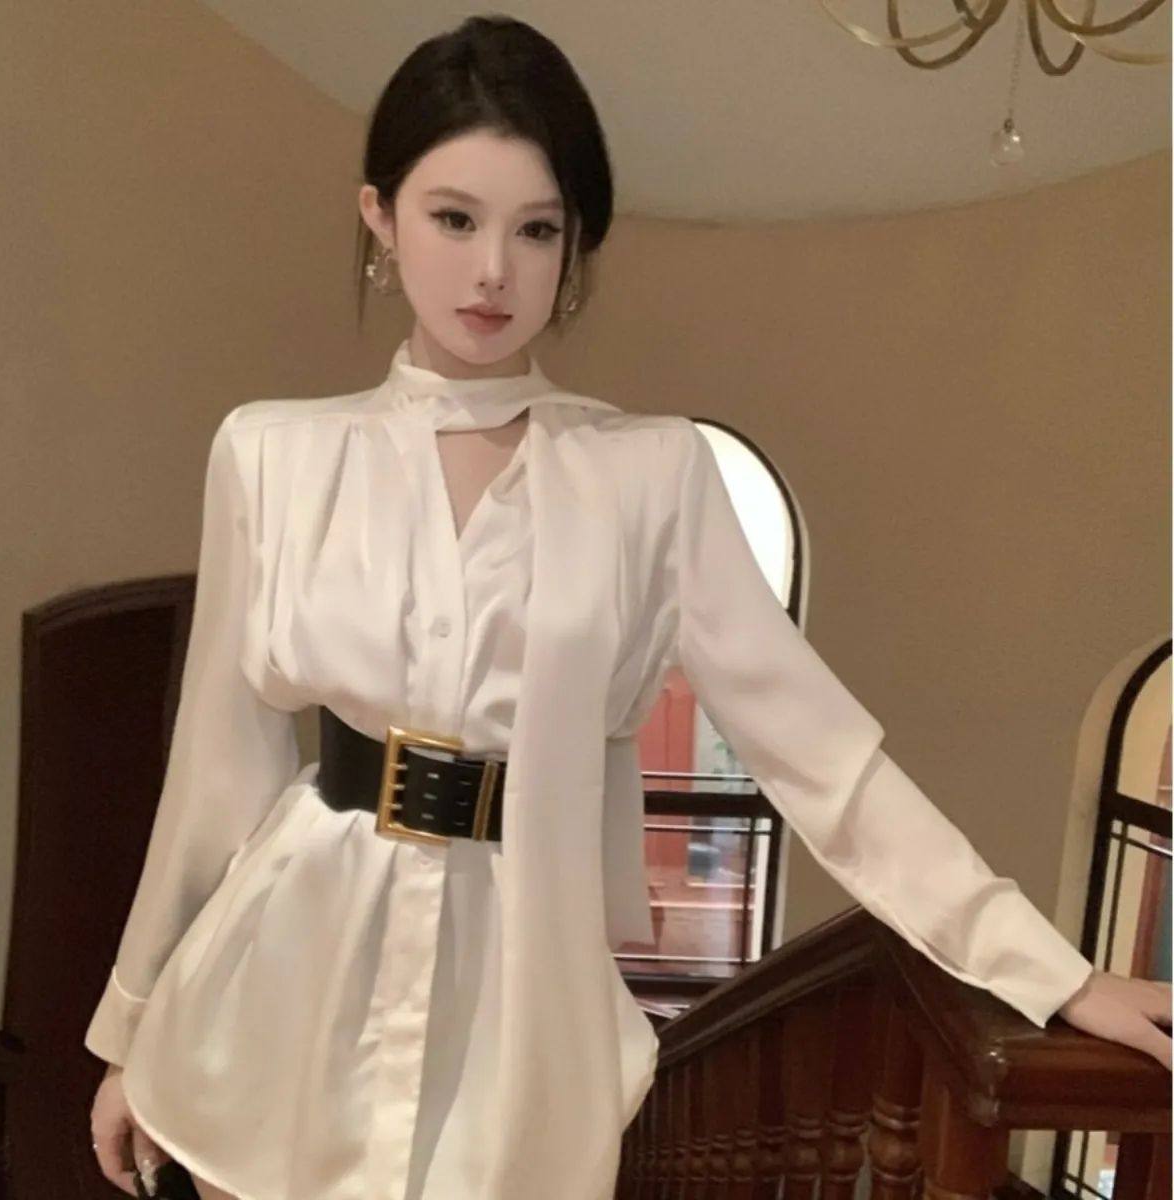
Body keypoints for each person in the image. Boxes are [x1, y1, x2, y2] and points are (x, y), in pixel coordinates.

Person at [86, 14, 1172, 1200]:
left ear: (575, 246)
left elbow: (823, 760)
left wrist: (1052, 972)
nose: (494, 271)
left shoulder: (650, 476)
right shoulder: (271, 456)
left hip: (517, 1006)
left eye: (536, 229)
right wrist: (134, 1030)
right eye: (454, 218)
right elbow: (221, 765)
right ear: (380, 218)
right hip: (285, 985)